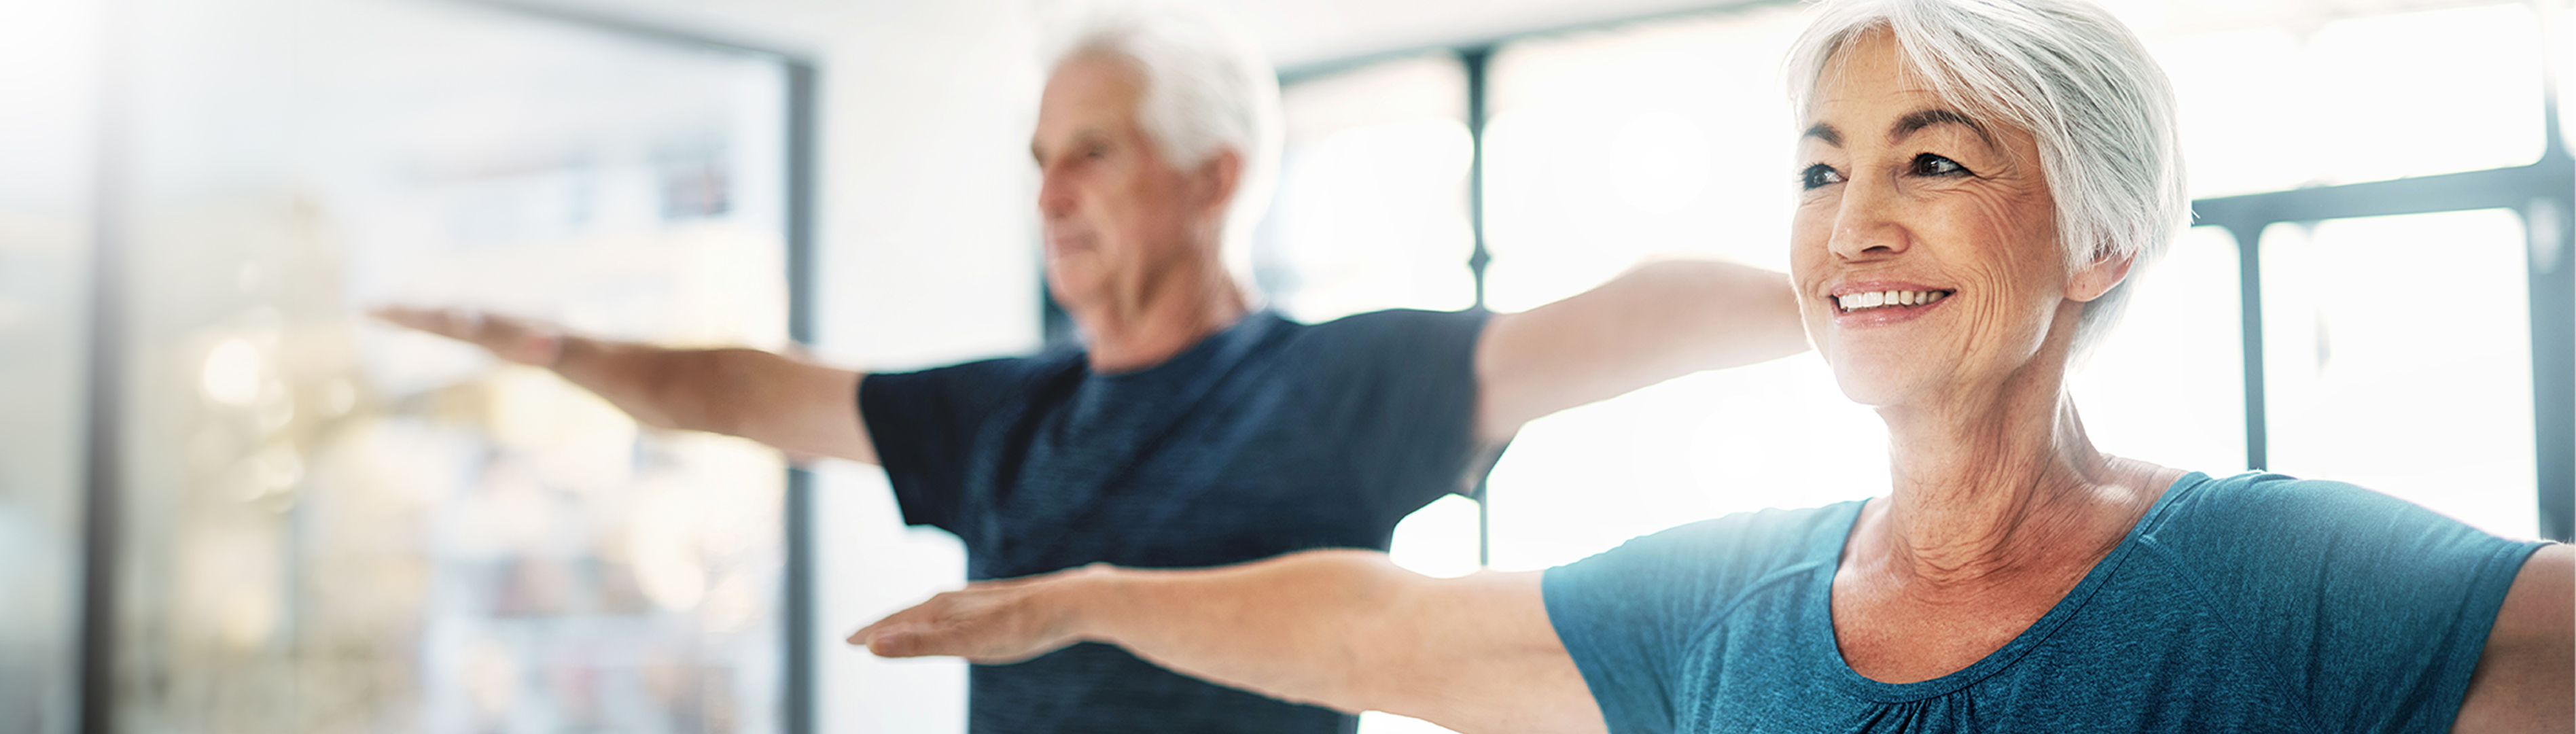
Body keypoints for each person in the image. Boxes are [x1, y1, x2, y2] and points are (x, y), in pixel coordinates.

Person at [843, 0, 2576, 731]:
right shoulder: (1734, 601)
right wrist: (1077, 599)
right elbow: (1385, 629)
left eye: (1934, 161)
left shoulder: (2274, 581)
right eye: (1823, 170)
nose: (1854, 225)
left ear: (2101, 241)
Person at [375, 7, 1807, 734]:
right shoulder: (1005, 416)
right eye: (1041, 160)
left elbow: (1618, 322)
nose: (1051, 194)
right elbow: (753, 394)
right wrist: (552, 349)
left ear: (1213, 177)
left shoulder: (1336, 385)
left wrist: (1845, 297)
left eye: (1094, 154)